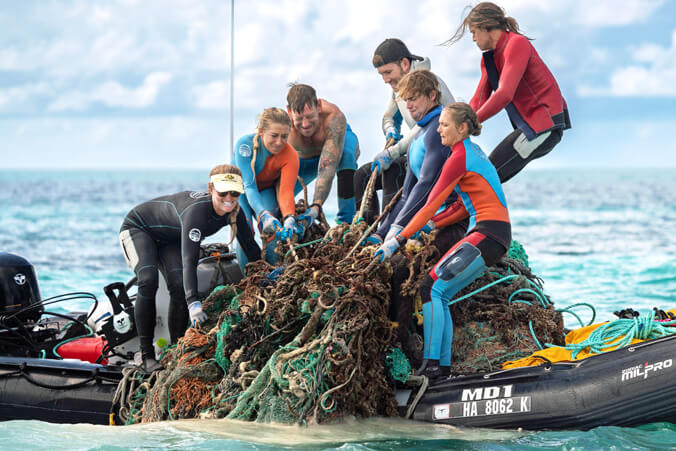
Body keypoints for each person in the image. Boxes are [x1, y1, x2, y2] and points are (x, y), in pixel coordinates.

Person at [375, 102, 511, 379]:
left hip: (487, 233)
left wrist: (396, 240)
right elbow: (461, 207)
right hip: (492, 232)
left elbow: (427, 203)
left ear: (462, 128)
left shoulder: (458, 156)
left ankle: (434, 366)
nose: (438, 130)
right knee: (440, 293)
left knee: (431, 288)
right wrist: (433, 224)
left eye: (444, 125)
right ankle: (441, 367)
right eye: (438, 125)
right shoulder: (472, 151)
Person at [363, 69, 467, 354]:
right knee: (388, 268)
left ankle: (403, 346)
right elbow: (408, 192)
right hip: (425, 221)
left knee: (402, 272)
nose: (408, 105)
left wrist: (397, 232)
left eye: (414, 99)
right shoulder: (421, 132)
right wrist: (381, 233)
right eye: (404, 100)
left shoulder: (437, 132)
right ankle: (395, 336)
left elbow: (426, 185)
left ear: (432, 96)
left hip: (449, 223)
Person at [119, 165, 260, 373]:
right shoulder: (197, 212)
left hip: (170, 238)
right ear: (211, 189)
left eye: (235, 192)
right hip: (139, 228)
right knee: (148, 281)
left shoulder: (235, 212)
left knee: (177, 286)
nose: (229, 197)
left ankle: (176, 350)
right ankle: (146, 356)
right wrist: (194, 303)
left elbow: (250, 247)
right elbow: (189, 260)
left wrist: (268, 274)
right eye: (223, 192)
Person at [446, 2, 571, 183]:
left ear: (485, 26)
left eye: (473, 32)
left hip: (544, 127)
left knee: (484, 179)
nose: (473, 38)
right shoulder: (489, 59)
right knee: (486, 178)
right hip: (531, 128)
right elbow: (478, 100)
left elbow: (504, 94)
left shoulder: (517, 43)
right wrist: (458, 123)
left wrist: (469, 125)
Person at [353, 38, 455, 224]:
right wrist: (391, 130)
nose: (385, 79)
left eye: (388, 72)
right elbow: (387, 116)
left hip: (439, 159)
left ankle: (387, 226)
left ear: (405, 64)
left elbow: (426, 125)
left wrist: (393, 152)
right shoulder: (399, 87)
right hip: (416, 154)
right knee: (362, 176)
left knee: (392, 169)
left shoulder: (429, 84)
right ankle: (365, 229)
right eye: (381, 74)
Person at [234, 107, 302, 266]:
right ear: (261, 131)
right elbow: (249, 186)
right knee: (245, 230)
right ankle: (249, 281)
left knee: (272, 231)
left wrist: (289, 217)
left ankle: (274, 277)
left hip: (265, 191)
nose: (279, 142)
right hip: (241, 191)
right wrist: (262, 214)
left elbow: (286, 192)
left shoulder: (290, 155)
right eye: (274, 136)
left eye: (284, 136)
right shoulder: (244, 145)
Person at [286, 83, 360, 226]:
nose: (305, 124)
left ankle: (346, 223)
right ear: (289, 111)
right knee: (275, 201)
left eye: (310, 116)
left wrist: (316, 205)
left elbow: (328, 165)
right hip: (305, 160)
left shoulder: (333, 117)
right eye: (299, 119)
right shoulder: (284, 127)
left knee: (346, 156)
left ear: (318, 106)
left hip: (338, 149)